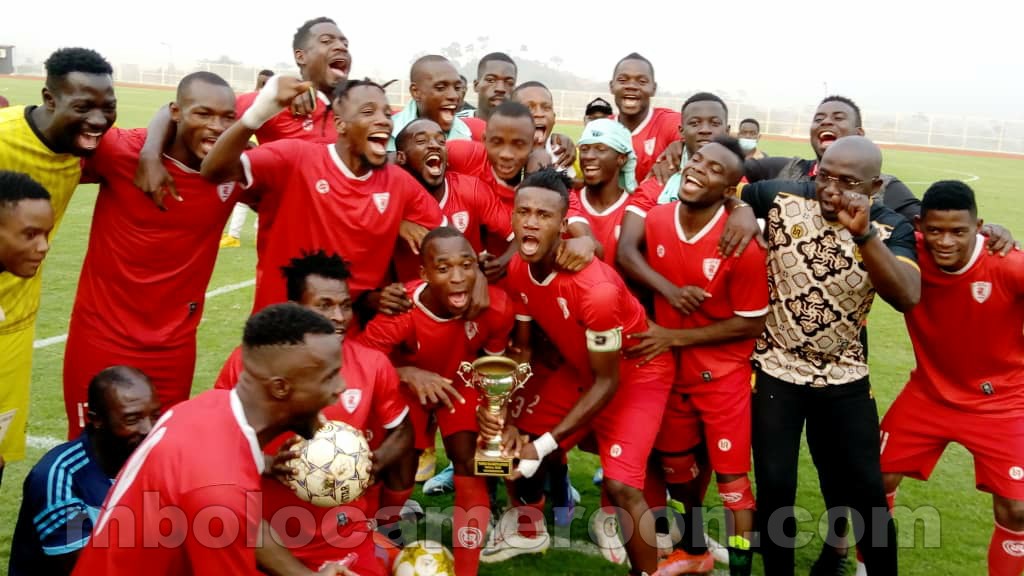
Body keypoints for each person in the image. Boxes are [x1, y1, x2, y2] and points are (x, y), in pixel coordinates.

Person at [738, 136, 918, 576]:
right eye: (826, 176)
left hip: (844, 376)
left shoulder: (891, 226)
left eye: (848, 182)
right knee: (776, 488)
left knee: (865, 493)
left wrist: (863, 235)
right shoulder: (783, 197)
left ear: (874, 186)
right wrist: (742, 212)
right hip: (776, 366)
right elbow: (736, 191)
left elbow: (907, 295)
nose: (832, 190)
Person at [483, 168, 673, 576]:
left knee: (623, 487)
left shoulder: (596, 291)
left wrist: (545, 444)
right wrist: (510, 415)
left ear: (563, 225)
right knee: (508, 442)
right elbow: (525, 348)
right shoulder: (519, 266)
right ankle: (529, 525)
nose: (531, 222)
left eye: (544, 215)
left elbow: (609, 381)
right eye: (523, 212)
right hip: (581, 368)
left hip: (636, 374)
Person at [72, 303, 352, 576]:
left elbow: (245, 521)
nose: (340, 388)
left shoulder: (208, 408)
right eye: (329, 377)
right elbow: (227, 509)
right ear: (280, 387)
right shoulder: (219, 489)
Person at [62, 72, 242, 439]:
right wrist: (148, 151)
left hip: (173, 349)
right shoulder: (120, 152)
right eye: (203, 114)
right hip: (100, 337)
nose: (217, 127)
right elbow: (51, 149)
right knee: (88, 452)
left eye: (228, 118)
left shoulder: (236, 169)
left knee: (159, 452)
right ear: (176, 112)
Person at [215, 251, 413, 576]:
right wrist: (264, 463)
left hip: (345, 536)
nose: (338, 316)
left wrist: (371, 462)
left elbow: (402, 428)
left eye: (345, 305)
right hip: (266, 538)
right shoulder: (250, 363)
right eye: (324, 305)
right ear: (296, 309)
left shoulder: (372, 364)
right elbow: (217, 437)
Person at [624, 136, 768, 576]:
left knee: (733, 486)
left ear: (730, 189)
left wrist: (672, 337)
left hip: (723, 379)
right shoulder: (660, 219)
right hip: (669, 374)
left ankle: (741, 569)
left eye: (714, 169)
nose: (698, 170)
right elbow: (626, 254)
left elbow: (751, 322)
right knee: (677, 470)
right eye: (696, 160)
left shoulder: (741, 242)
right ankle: (696, 548)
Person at [200, 76, 443, 315]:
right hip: (280, 335)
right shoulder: (294, 158)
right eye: (368, 112)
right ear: (340, 124)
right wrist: (259, 113)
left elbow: (446, 242)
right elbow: (214, 170)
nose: (383, 121)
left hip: (349, 339)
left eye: (387, 114)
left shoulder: (398, 183)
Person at [879, 180, 1024, 576]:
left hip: (1002, 403)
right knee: (872, 484)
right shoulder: (909, 253)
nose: (945, 241)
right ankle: (864, 567)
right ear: (920, 226)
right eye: (935, 230)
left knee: (1017, 508)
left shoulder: (1009, 263)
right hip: (929, 393)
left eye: (958, 231)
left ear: (979, 227)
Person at [359, 227, 515, 576]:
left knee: (475, 459)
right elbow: (359, 361)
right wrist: (407, 373)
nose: (458, 278)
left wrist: (496, 409)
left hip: (459, 383)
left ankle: (467, 568)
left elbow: (494, 368)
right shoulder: (402, 311)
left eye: (466, 265)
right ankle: (379, 538)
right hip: (404, 386)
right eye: (444, 268)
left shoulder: (497, 306)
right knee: (400, 470)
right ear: (424, 274)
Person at [0, 47, 116, 468]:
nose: (98, 120)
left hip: (13, 327)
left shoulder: (82, 148)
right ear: (50, 98)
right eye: (83, 106)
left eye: (109, 107)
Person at [10, 366, 160, 576]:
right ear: (96, 420)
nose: (149, 430)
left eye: (155, 416)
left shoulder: (156, 460)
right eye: (132, 420)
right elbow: (86, 569)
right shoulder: (59, 478)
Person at [445, 100, 596, 273]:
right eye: (497, 142)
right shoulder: (463, 155)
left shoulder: (548, 185)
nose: (506, 154)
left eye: (518, 144)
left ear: (533, 143)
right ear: (484, 140)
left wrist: (586, 243)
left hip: (520, 279)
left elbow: (593, 245)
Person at [392, 118, 510, 280]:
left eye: (441, 141)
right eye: (421, 141)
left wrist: (501, 264)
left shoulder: (471, 189)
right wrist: (395, 223)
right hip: (413, 297)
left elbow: (517, 234)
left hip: (466, 290)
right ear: (401, 157)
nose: (434, 145)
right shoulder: (389, 198)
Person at [573, 118, 637, 266]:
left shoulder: (636, 210)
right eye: (584, 149)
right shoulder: (567, 201)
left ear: (621, 159)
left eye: (600, 149)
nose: (589, 156)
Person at [609, 53, 680, 182]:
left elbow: (712, 144)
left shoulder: (671, 122)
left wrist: (684, 145)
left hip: (656, 201)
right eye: (623, 80)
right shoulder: (601, 128)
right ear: (611, 86)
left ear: (653, 89)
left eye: (642, 81)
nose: (631, 86)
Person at [388, 55, 472, 152]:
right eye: (440, 88)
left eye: (457, 88)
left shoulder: (466, 136)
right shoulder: (385, 132)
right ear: (416, 92)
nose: (454, 96)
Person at [512, 81, 575, 179]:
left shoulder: (561, 155)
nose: (539, 114)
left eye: (546, 108)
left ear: (554, 118)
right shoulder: (500, 154)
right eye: (528, 107)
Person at [460, 52, 518, 140]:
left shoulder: (523, 130)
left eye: (509, 82)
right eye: (491, 80)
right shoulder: (453, 123)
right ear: (476, 85)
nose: (500, 88)